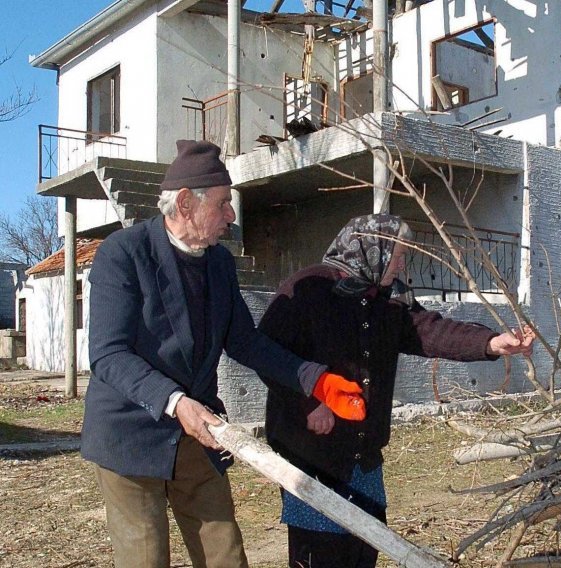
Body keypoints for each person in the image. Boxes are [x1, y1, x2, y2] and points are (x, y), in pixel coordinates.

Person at [81, 140, 366, 568]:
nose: (231, 217)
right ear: (184, 203)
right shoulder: (123, 253)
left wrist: (316, 380)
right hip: (130, 434)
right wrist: (176, 402)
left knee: (225, 556)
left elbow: (245, 342)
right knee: (145, 558)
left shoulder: (218, 262)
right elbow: (108, 354)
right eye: (222, 205)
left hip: (197, 434)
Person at [257, 213, 535, 568]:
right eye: (398, 254)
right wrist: (308, 403)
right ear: (371, 251)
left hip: (364, 460)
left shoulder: (388, 299)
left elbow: (433, 332)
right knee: (320, 557)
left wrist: (493, 343)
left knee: (364, 551)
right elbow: (266, 353)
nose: (402, 264)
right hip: (312, 459)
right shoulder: (308, 289)